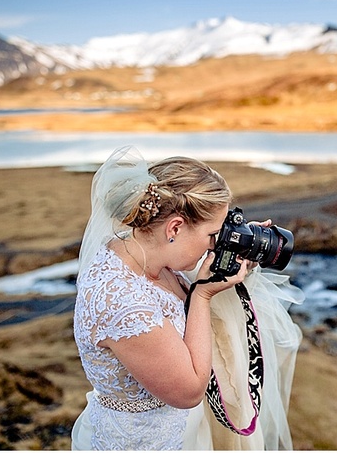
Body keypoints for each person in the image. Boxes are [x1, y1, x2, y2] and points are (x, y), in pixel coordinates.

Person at [71, 145, 303, 450]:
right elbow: (190, 391)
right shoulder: (123, 304)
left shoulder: (142, 252)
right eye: (212, 235)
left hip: (185, 433)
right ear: (175, 227)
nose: (213, 245)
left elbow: (184, 303)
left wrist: (238, 248)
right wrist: (203, 295)